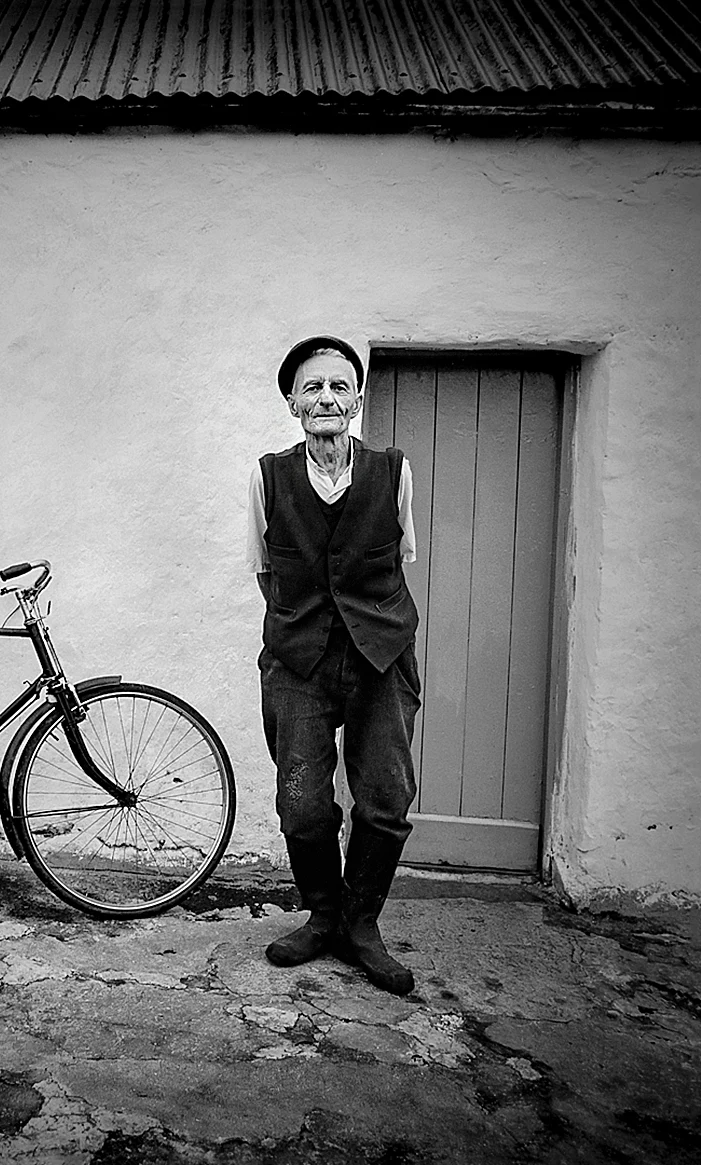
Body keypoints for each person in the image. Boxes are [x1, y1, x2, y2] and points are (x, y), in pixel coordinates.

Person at [247, 334, 421, 996]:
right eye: (312, 386)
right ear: (292, 402)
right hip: (298, 661)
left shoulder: (393, 471)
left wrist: (362, 632)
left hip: (381, 656)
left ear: (357, 399)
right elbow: (267, 573)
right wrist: (307, 633)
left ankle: (361, 926)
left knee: (385, 798)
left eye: (340, 385)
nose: (326, 397)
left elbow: (395, 564)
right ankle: (323, 916)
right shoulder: (267, 476)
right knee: (302, 805)